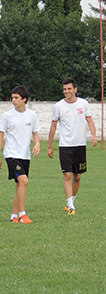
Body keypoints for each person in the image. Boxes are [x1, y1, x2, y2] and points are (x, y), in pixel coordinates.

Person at [47, 78, 97, 215]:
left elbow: (90, 120)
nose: (66, 92)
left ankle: (71, 201)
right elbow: (53, 126)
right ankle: (70, 205)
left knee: (78, 176)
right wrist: (50, 146)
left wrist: (94, 135)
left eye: (69, 89)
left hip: (80, 145)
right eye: (64, 89)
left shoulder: (83, 103)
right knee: (67, 175)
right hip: (65, 146)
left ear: (75, 89)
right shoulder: (58, 106)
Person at [0, 85, 40, 224]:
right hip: (11, 154)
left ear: (24, 99)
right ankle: (22, 215)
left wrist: (37, 144)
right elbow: (1, 135)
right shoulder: (7, 116)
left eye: (16, 98)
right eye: (12, 98)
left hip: (25, 155)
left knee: (19, 185)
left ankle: (13, 216)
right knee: (24, 181)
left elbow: (35, 133)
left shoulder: (31, 115)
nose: (13, 100)